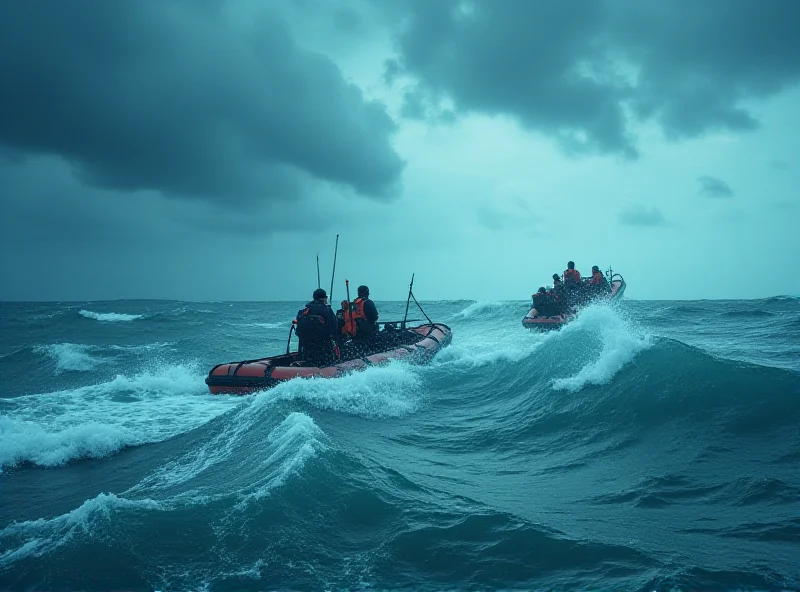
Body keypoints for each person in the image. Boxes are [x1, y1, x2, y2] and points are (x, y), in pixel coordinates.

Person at [295, 288, 339, 366]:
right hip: (324, 348)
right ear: (325, 298)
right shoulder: (327, 310)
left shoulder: (304, 312)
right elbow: (335, 328)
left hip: (307, 348)